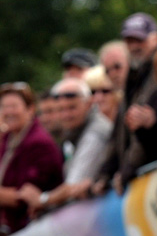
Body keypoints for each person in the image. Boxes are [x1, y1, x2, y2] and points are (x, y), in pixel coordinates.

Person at [0, 83, 63, 234]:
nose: (8, 112)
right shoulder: (10, 137)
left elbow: (24, 198)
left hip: (40, 230)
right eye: (3, 107)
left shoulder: (38, 142)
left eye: (14, 106)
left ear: (30, 109)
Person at [19, 78, 113, 213]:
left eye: (72, 107)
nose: (66, 115)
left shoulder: (96, 132)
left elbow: (74, 185)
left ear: (88, 104)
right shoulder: (73, 131)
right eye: (61, 109)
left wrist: (42, 200)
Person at [94, 13, 157, 194]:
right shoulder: (136, 75)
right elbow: (120, 131)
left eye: (139, 40)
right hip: (143, 174)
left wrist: (129, 168)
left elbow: (142, 124)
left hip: (154, 174)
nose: (134, 46)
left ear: (156, 38)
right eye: (129, 41)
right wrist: (105, 173)